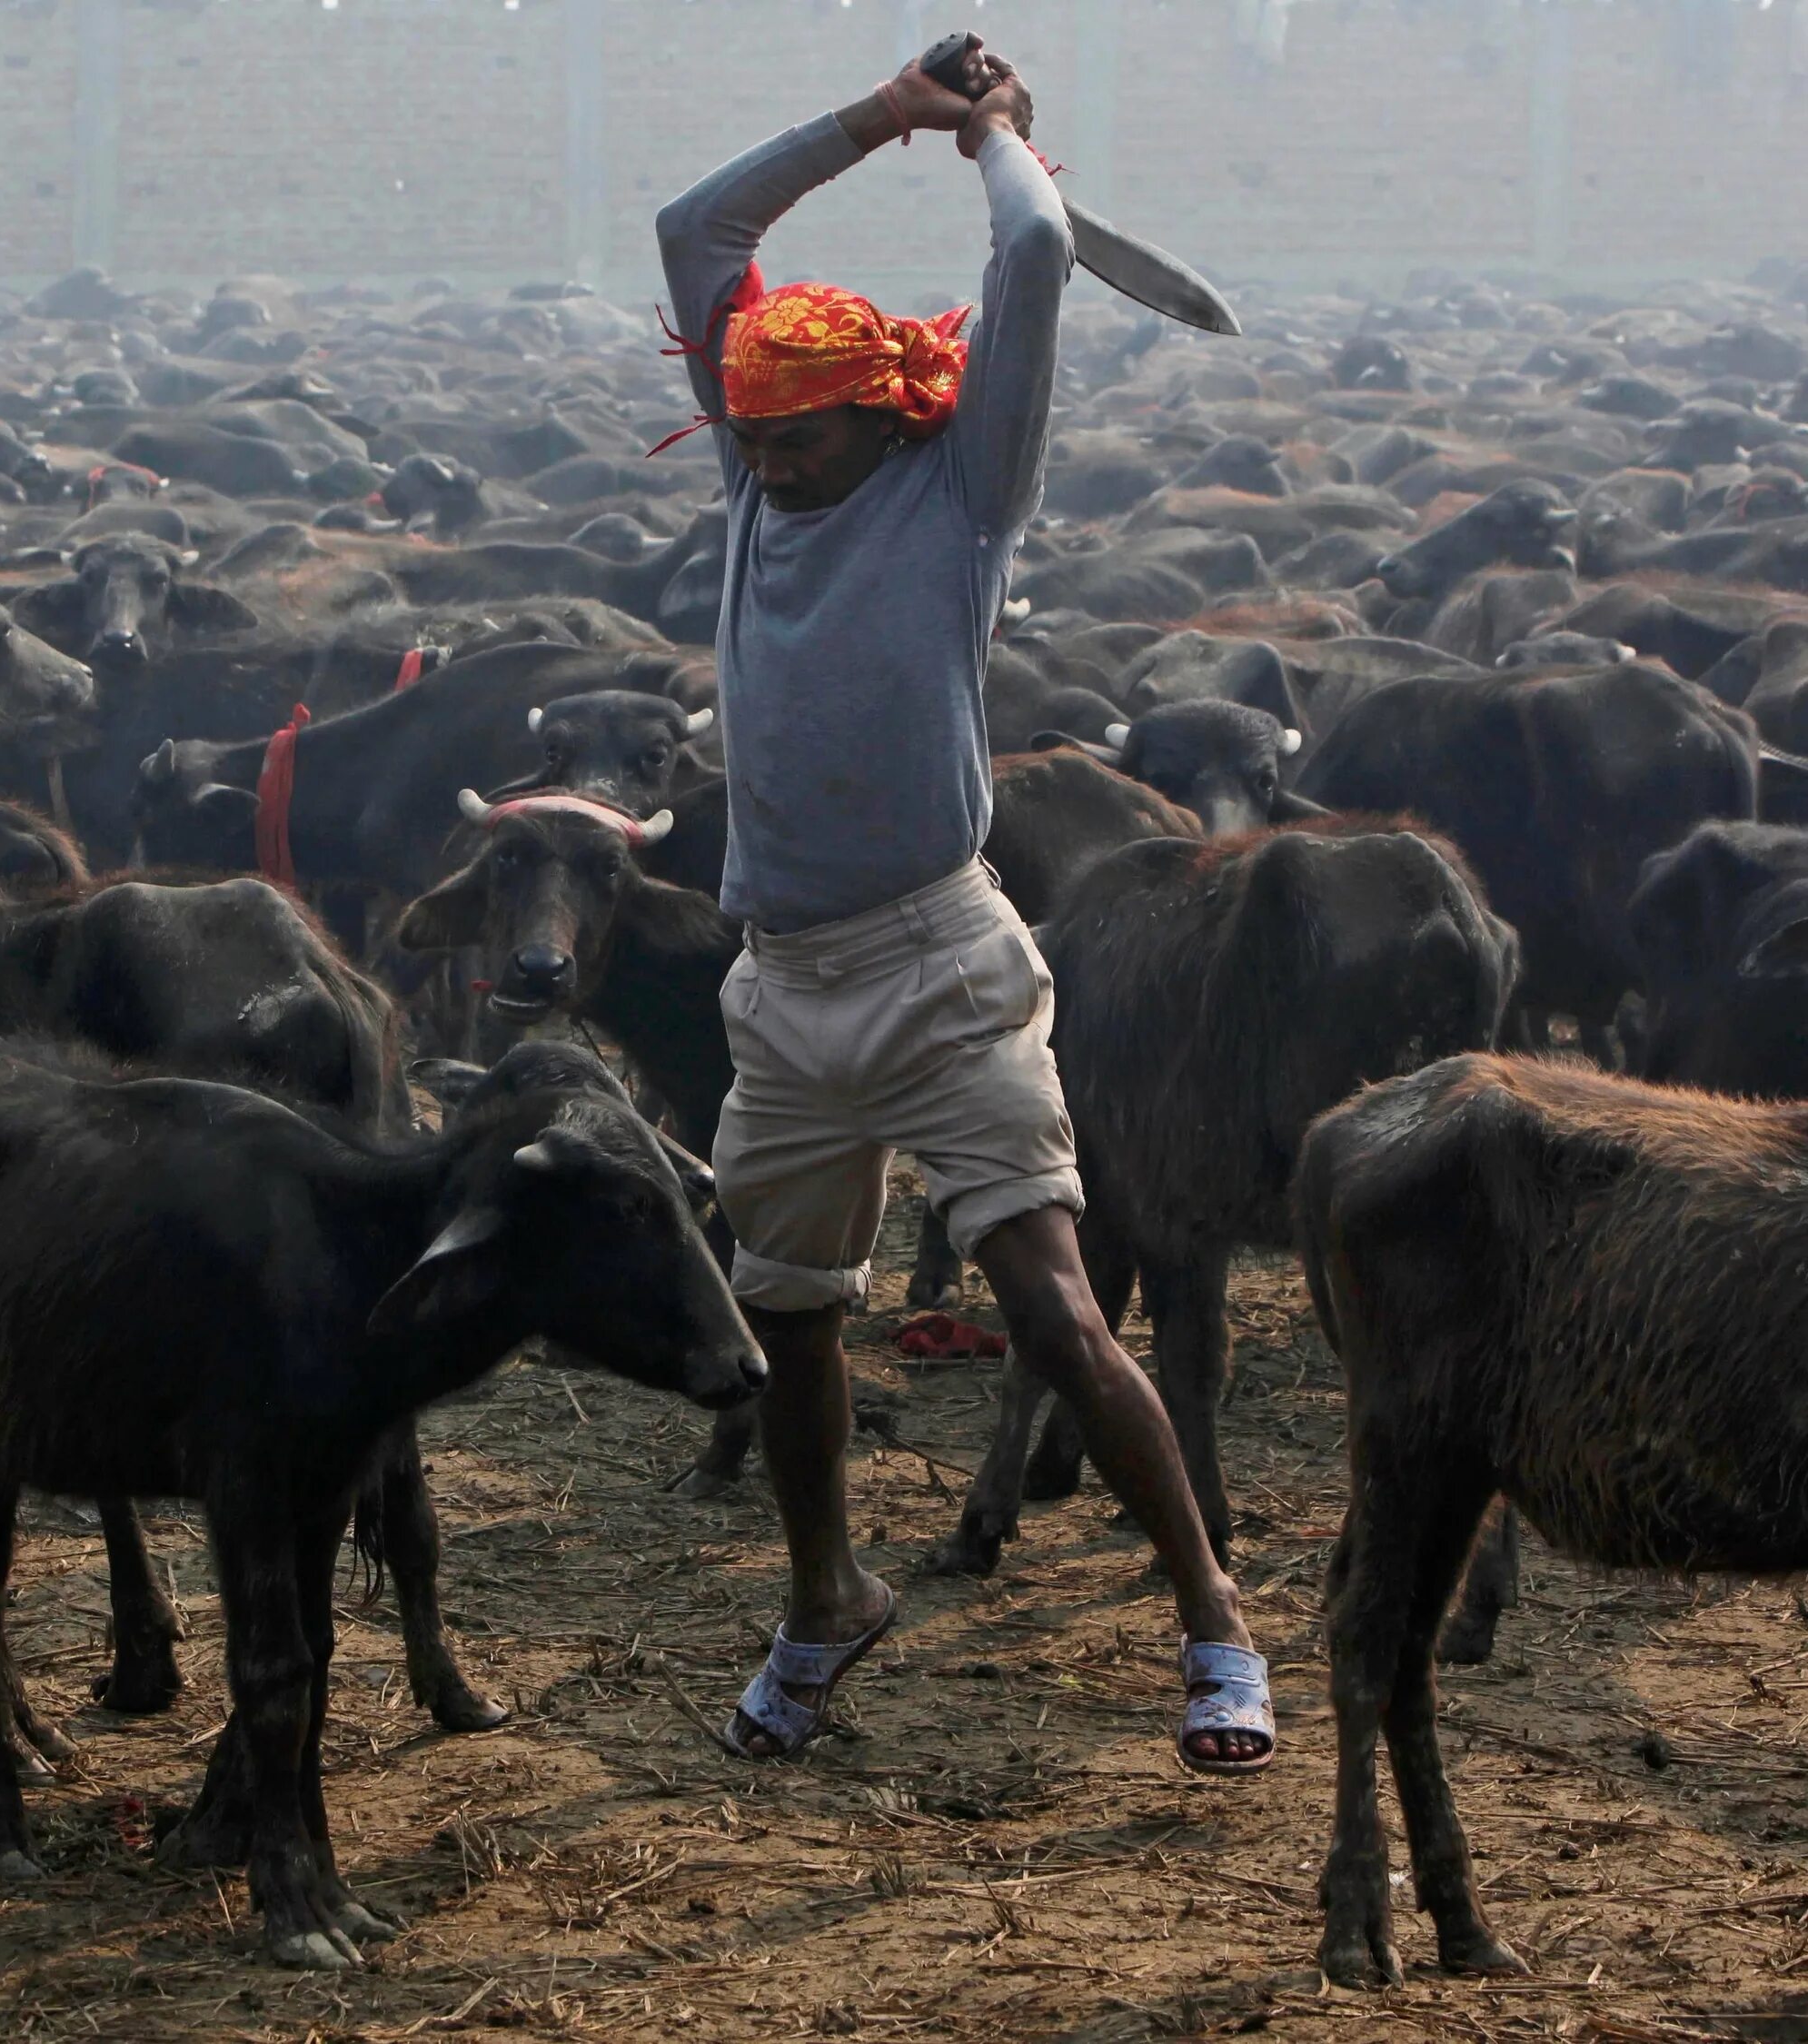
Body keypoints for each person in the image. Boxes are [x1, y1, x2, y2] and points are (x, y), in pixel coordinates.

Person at [654, 39, 1273, 1772]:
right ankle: (826, 1593)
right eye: (751, 440)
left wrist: (1003, 144)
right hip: (782, 987)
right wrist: (882, 118)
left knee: (1059, 1311)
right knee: (789, 1323)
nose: (768, 468)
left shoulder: (959, 493)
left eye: (799, 441)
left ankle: (1213, 1616)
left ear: (881, 416)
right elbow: (696, 230)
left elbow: (1031, 262)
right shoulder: (758, 485)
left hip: (941, 963)